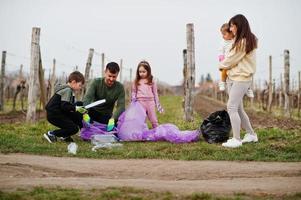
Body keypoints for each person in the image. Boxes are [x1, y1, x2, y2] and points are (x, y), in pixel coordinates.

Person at [219, 14, 258, 148]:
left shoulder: (244, 41)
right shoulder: (239, 40)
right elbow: (230, 56)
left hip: (241, 78)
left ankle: (236, 139)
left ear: (239, 26)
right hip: (234, 77)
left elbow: (231, 59)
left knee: (231, 107)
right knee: (239, 109)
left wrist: (221, 65)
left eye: (232, 25)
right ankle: (251, 134)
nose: (230, 28)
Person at [44, 71, 86, 143]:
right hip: (54, 114)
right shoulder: (67, 90)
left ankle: (65, 136)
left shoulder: (69, 90)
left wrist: (77, 109)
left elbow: (68, 106)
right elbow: (64, 106)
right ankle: (51, 134)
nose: (80, 88)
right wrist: (76, 108)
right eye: (80, 85)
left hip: (58, 113)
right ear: (73, 82)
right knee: (74, 128)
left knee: (78, 108)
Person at [83, 62, 125, 131]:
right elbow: (88, 98)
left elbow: (121, 106)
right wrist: (85, 113)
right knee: (78, 105)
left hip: (106, 116)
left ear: (117, 75)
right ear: (105, 72)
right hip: (92, 112)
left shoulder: (120, 87)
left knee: (118, 127)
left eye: (114, 77)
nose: (111, 79)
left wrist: (113, 119)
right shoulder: (96, 82)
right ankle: (85, 126)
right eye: (109, 76)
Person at [218, 23, 254, 98]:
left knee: (245, 72)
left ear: (231, 33)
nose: (223, 36)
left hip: (236, 61)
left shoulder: (236, 41)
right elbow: (220, 51)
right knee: (224, 71)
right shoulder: (223, 43)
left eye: (224, 34)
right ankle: (222, 82)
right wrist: (221, 59)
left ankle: (248, 88)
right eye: (222, 34)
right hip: (228, 61)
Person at [131, 60, 163, 128]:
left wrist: (157, 104)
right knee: (142, 119)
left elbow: (155, 93)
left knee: (153, 119)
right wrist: (133, 99)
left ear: (148, 71)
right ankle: (142, 133)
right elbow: (134, 91)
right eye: (140, 72)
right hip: (140, 102)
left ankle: (157, 131)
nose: (142, 73)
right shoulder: (136, 81)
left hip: (150, 102)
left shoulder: (151, 80)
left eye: (144, 71)